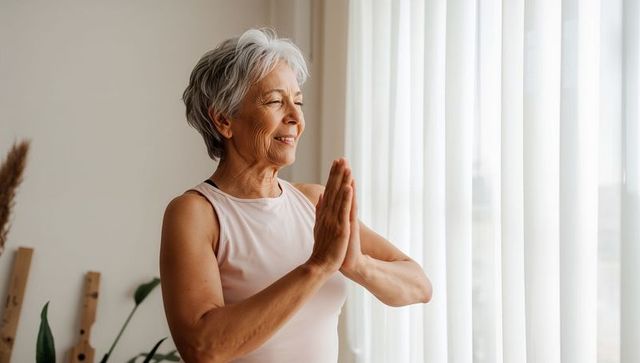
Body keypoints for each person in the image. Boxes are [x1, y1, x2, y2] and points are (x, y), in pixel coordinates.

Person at [159, 28, 432, 363]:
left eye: (298, 101)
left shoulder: (314, 202)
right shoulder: (196, 213)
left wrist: (356, 263)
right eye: (275, 101)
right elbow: (203, 347)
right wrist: (317, 266)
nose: (296, 117)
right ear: (223, 119)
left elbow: (419, 285)